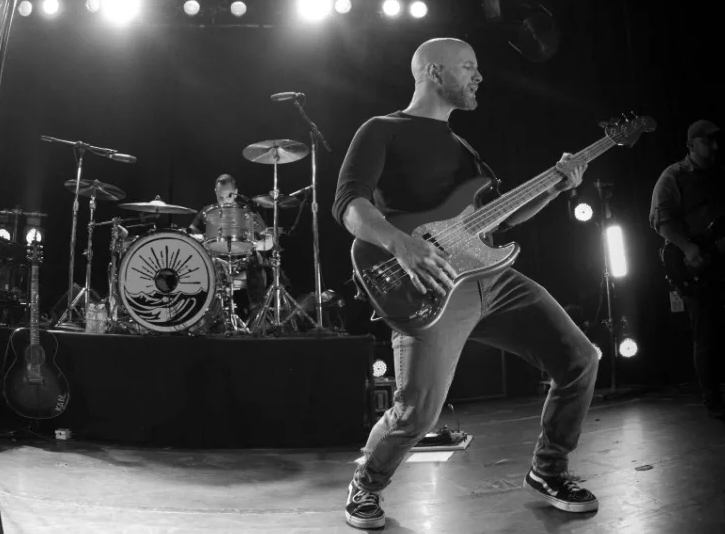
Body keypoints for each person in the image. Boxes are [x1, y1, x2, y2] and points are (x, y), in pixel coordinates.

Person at [332, 38, 600, 529]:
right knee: (418, 414)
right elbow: (350, 205)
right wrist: (401, 244)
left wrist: (556, 186)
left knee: (580, 359)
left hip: (492, 278)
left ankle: (549, 470)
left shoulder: (463, 148)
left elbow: (498, 224)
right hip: (427, 282)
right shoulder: (381, 130)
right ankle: (366, 484)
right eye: (469, 67)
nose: (479, 77)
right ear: (434, 72)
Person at [649, 119, 724, 418]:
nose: (715, 146)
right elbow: (661, 221)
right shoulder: (674, 176)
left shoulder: (719, 175)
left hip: (719, 258)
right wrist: (689, 248)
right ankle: (712, 396)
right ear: (691, 145)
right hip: (693, 263)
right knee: (706, 329)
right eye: (708, 141)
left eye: (716, 141)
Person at [189, 174, 273, 314]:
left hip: (243, 262)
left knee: (255, 262)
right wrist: (198, 238)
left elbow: (270, 240)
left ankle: (257, 315)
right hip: (214, 261)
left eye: (227, 196)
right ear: (215, 192)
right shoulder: (207, 211)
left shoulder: (247, 212)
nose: (223, 201)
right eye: (220, 197)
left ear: (236, 193)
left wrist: (256, 245)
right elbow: (190, 234)